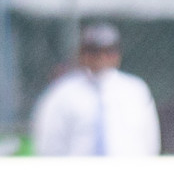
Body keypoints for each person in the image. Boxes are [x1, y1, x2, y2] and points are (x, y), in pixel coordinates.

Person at [31, 22, 159, 156]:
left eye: (109, 51)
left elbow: (150, 140)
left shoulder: (135, 90)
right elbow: (49, 143)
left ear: (118, 54)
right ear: (82, 54)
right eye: (94, 51)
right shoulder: (62, 94)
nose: (101, 57)